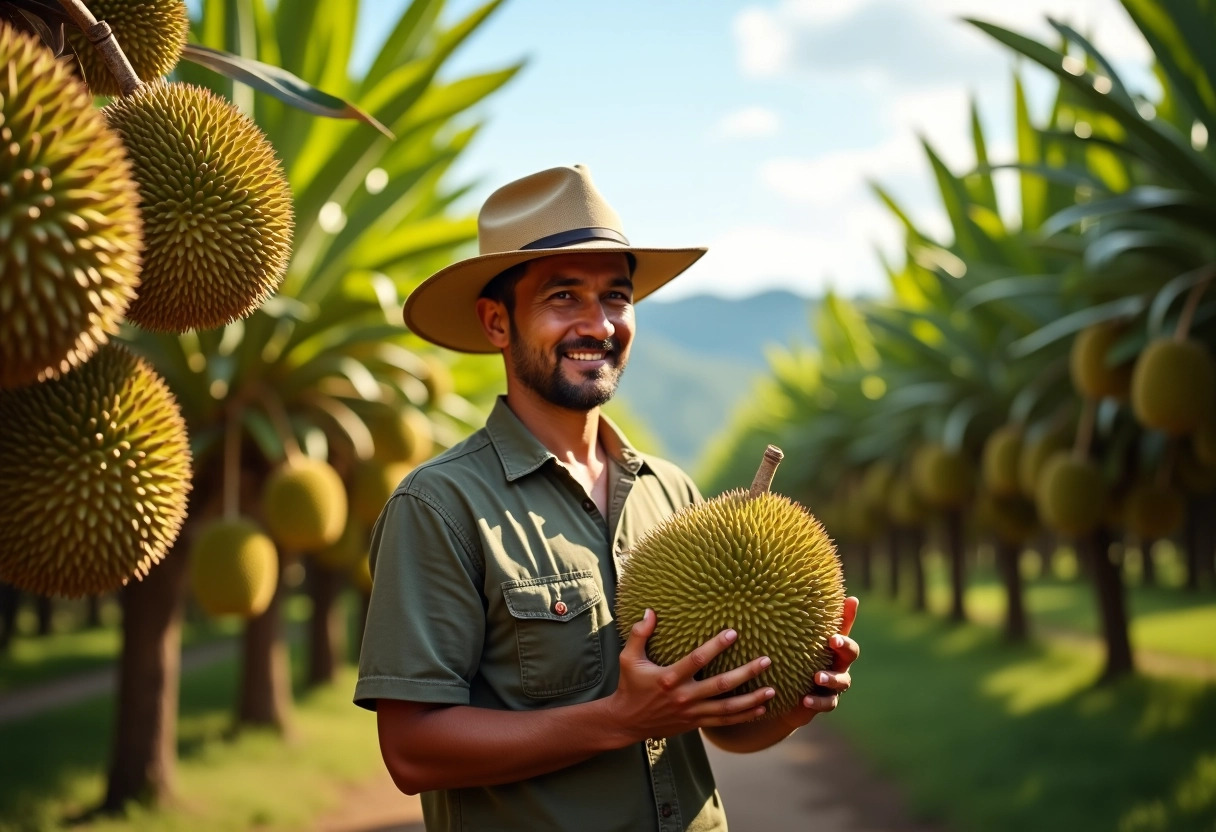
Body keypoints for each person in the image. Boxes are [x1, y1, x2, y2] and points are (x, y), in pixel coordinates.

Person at [354, 164, 860, 831]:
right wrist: (619, 720)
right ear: (496, 323)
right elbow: (413, 752)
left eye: (616, 298)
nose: (599, 324)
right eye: (564, 297)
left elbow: (715, 731)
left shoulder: (672, 492)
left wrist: (790, 700)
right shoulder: (442, 505)